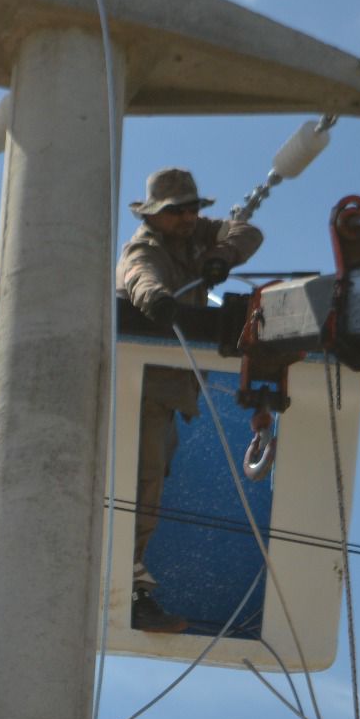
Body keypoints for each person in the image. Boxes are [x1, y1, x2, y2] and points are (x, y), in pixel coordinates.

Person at [115, 167, 263, 634]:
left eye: (193, 209)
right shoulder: (147, 248)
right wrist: (157, 300)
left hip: (168, 393)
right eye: (176, 211)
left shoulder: (197, 234)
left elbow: (247, 230)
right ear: (155, 215)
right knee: (140, 484)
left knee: (151, 483)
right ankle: (127, 588)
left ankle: (128, 578)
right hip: (141, 391)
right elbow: (138, 275)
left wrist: (221, 256)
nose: (187, 217)